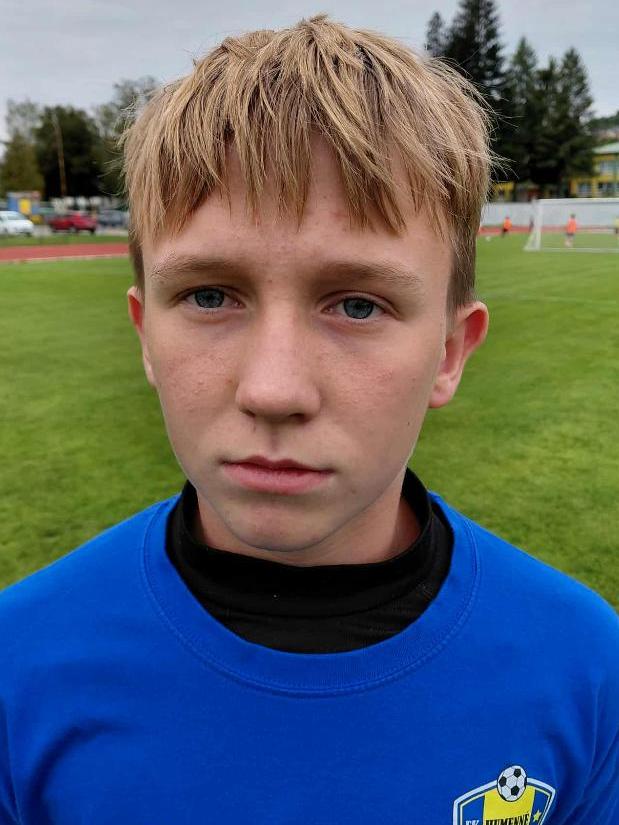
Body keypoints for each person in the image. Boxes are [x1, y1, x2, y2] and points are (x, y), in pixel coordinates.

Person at [0, 15, 617, 825]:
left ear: (448, 352)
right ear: (145, 334)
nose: (273, 389)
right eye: (210, 296)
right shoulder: (18, 666)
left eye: (357, 305)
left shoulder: (584, 665)